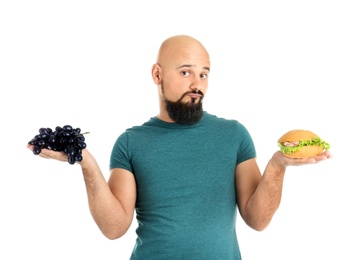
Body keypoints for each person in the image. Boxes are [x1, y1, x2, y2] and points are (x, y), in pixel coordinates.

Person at [27, 35, 332, 259]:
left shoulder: (234, 135)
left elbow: (258, 220)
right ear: (157, 74)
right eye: (185, 72)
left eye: (204, 74)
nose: (196, 84)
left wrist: (277, 166)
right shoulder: (131, 142)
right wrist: (87, 165)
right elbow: (114, 228)